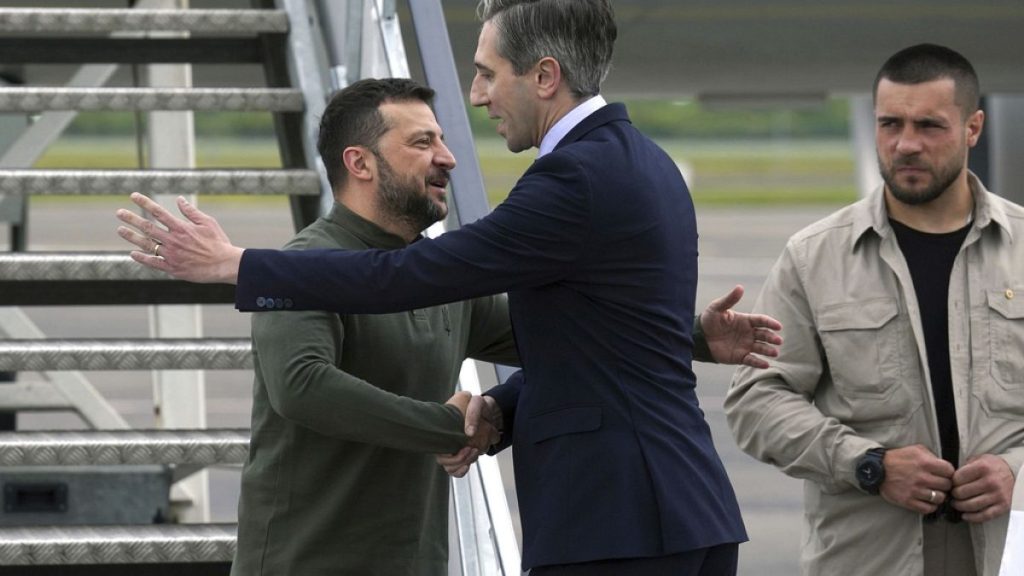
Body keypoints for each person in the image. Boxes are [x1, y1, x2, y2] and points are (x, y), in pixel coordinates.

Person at [116, 1, 783, 573]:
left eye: (488, 74)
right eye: (423, 140)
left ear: (544, 76)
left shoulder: (571, 178)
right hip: (681, 513)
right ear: (361, 162)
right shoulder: (650, 163)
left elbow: (414, 277)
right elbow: (579, 338)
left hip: (614, 519)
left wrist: (239, 265)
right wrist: (686, 337)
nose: (476, 98)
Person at [725, 44, 1024, 576]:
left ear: (973, 127)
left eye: (929, 125)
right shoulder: (814, 256)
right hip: (870, 558)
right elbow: (756, 399)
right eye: (890, 124)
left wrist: (1016, 472)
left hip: (1007, 551)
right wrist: (868, 465)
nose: (906, 144)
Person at [230, 78, 515, 576]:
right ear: (359, 162)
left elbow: (558, 333)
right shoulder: (305, 265)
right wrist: (447, 427)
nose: (447, 158)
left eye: (442, 140)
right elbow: (301, 386)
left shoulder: (442, 276)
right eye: (423, 142)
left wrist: (687, 336)